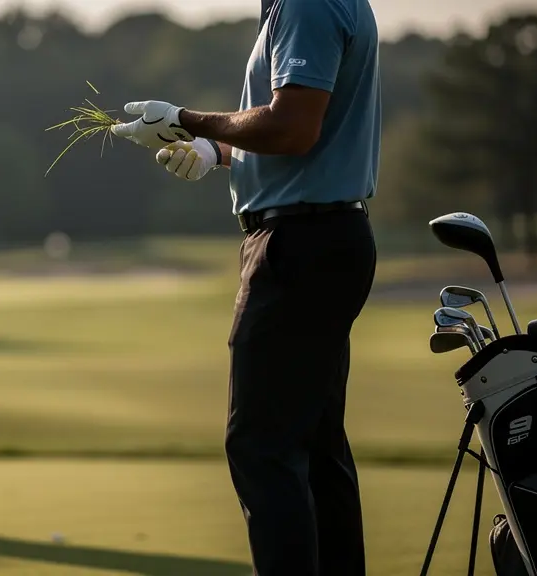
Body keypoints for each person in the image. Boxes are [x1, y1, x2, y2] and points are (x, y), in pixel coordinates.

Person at [109, 0, 380, 573]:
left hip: (299, 245)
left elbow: (295, 127)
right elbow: (293, 130)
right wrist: (216, 151)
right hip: (321, 236)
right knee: (314, 445)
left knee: (263, 448)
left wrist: (190, 120)